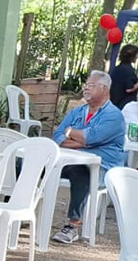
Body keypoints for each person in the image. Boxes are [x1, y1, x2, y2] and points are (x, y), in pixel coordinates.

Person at [51, 70, 126, 244]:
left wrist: (72, 134)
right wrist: (79, 141)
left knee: (82, 171)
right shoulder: (77, 112)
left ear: (105, 88)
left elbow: (90, 138)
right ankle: (19, 208)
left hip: (102, 168)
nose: (86, 89)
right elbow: (58, 135)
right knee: (29, 162)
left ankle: (72, 226)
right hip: (71, 159)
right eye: (86, 85)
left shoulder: (114, 116)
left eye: (91, 86)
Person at [109, 44, 138, 108]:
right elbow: (129, 88)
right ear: (132, 56)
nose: (137, 57)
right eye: (137, 55)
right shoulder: (128, 69)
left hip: (114, 101)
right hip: (123, 103)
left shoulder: (118, 68)